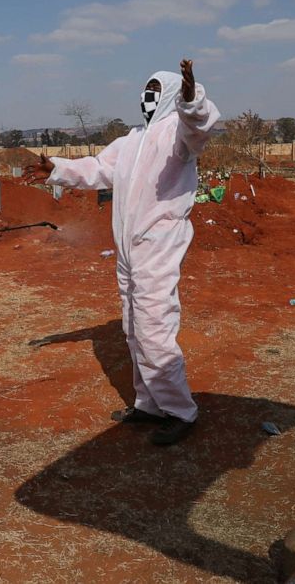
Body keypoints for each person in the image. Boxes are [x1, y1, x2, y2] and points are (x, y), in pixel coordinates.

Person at [27, 59, 219, 446]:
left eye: (155, 93)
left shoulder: (176, 135)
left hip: (158, 242)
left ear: (167, 97)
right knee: (133, 326)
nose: (147, 99)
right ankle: (149, 402)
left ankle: (181, 410)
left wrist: (190, 99)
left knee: (153, 325)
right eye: (144, 93)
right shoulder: (131, 140)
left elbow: (200, 126)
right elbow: (98, 168)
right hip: (128, 246)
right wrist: (56, 168)